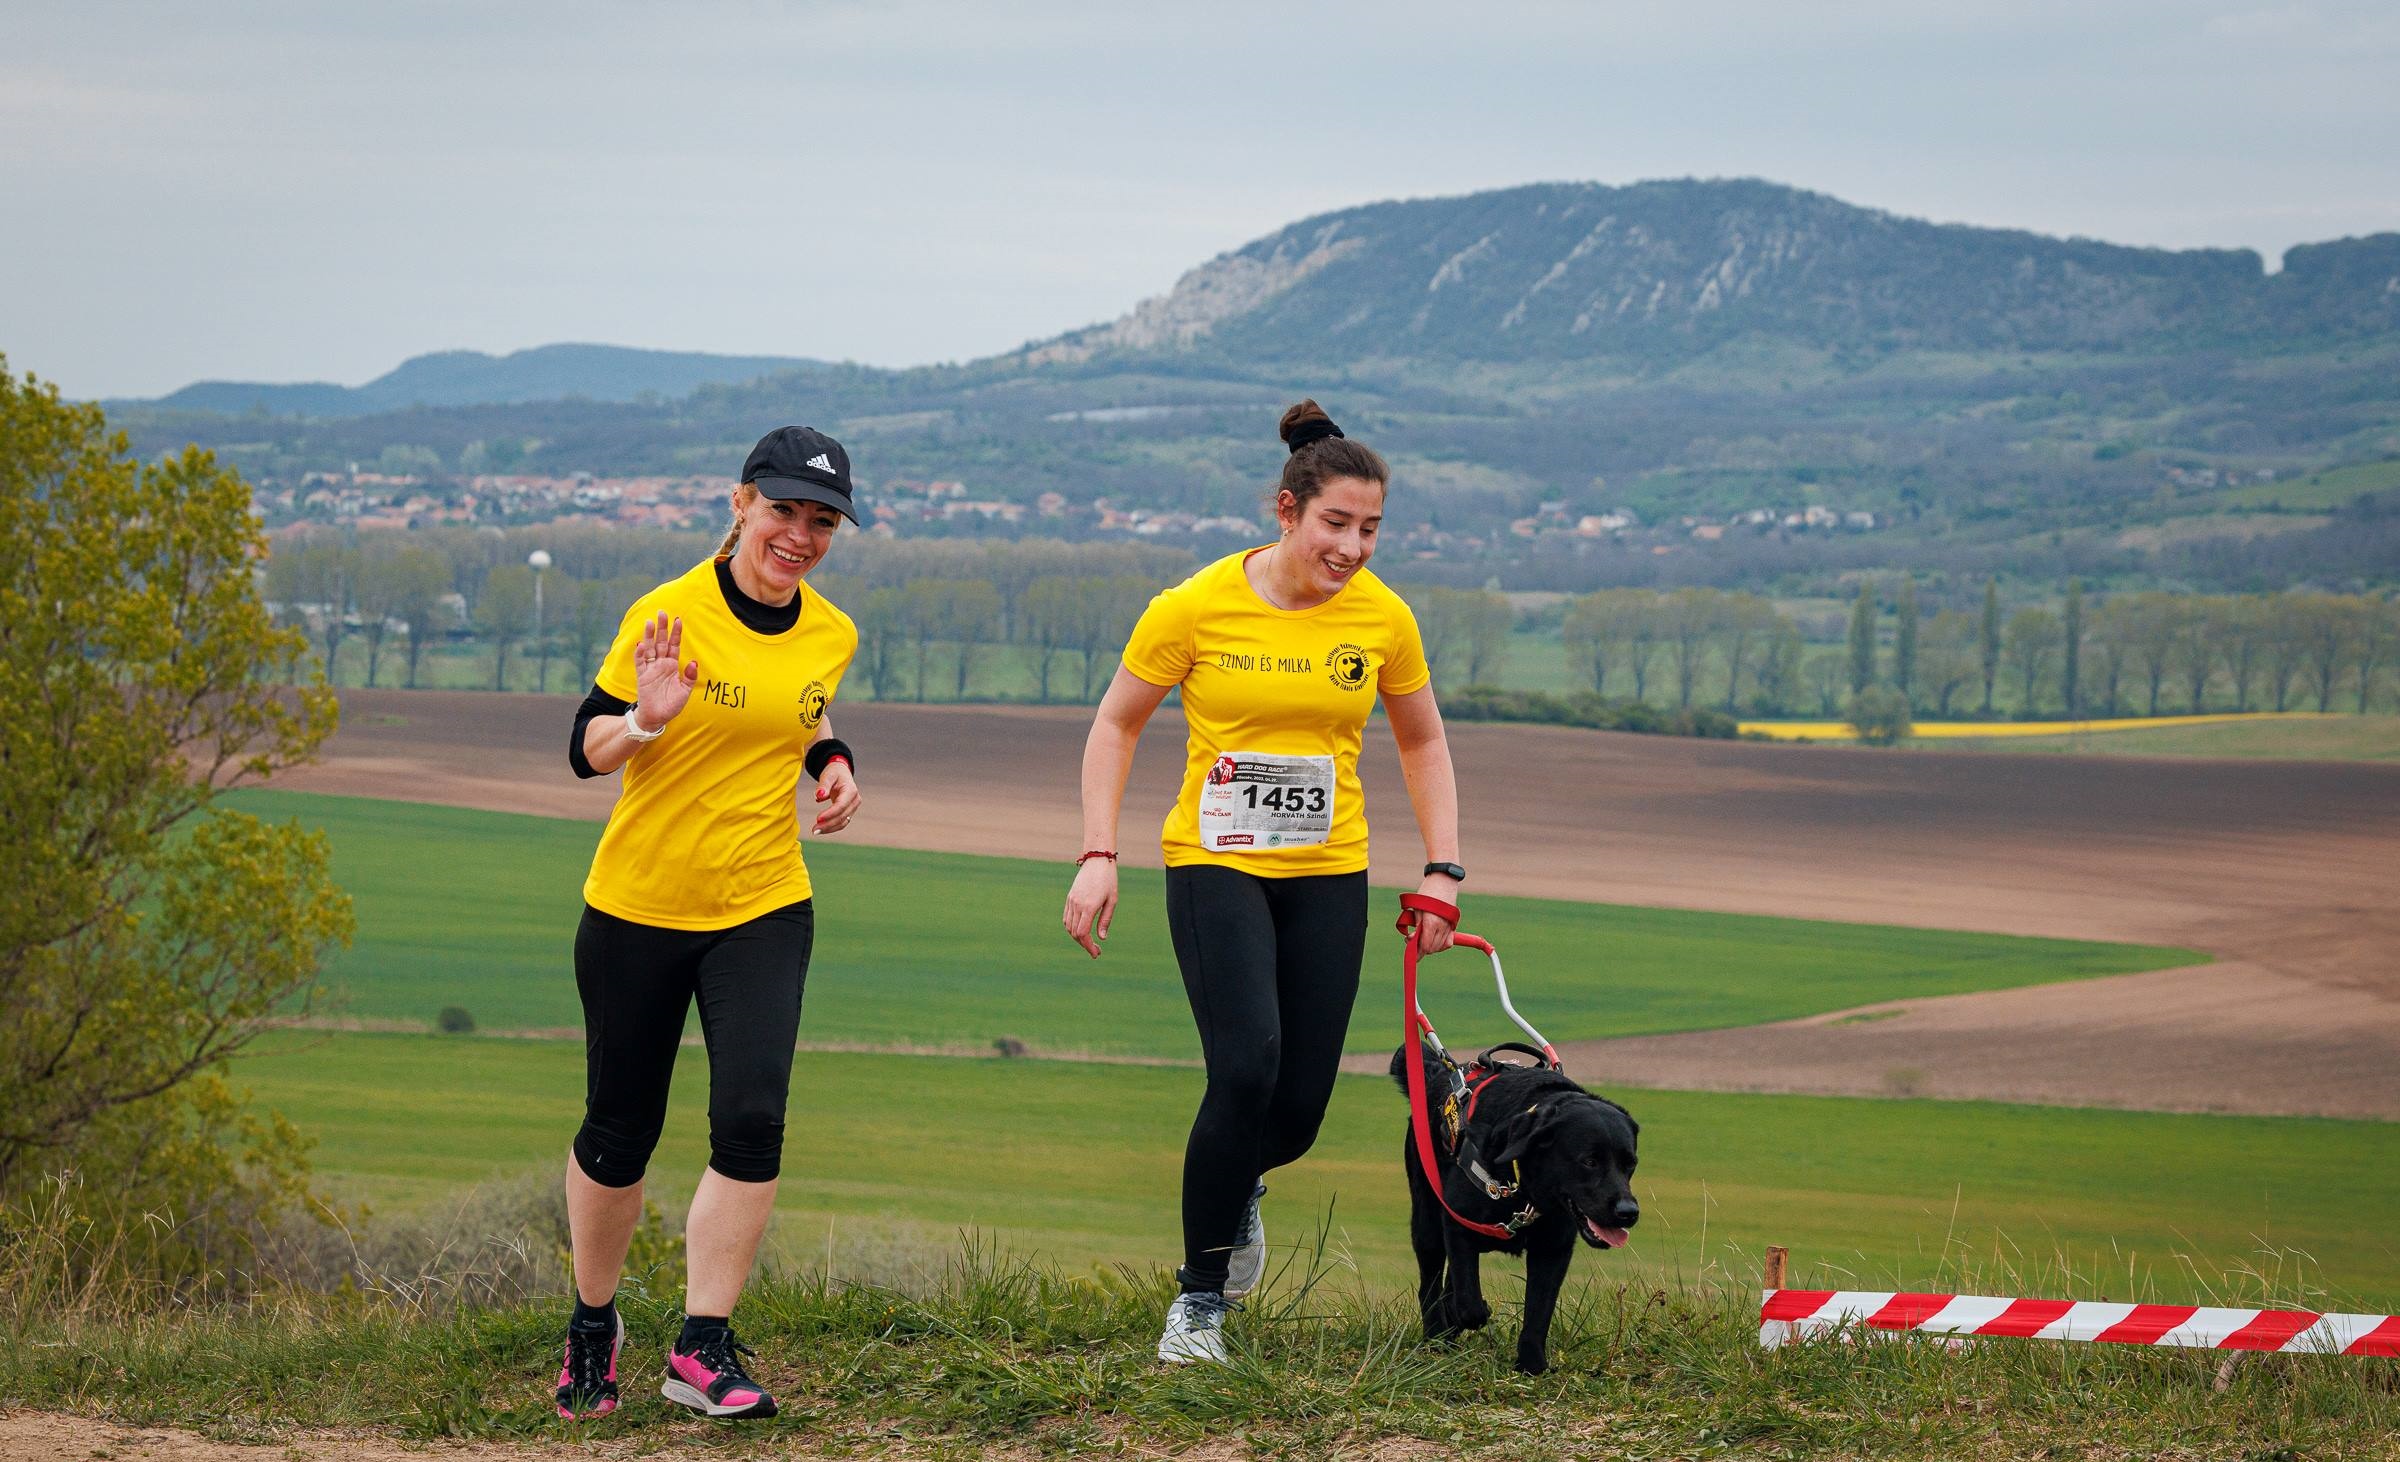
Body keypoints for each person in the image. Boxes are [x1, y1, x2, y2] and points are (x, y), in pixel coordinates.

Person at [1060, 400, 1468, 1365]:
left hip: (1330, 869)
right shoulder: (1194, 605)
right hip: (1215, 861)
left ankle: (1237, 1185)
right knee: (1243, 1066)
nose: (1354, 547)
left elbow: (1424, 740)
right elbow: (1115, 725)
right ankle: (1199, 1303)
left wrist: (1443, 869)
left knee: (1294, 1111)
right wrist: (1097, 850)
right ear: (1286, 512)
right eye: (1336, 524)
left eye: (1371, 529)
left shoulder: (1384, 617)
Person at [551, 426, 863, 1421]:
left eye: (821, 521)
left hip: (763, 902)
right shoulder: (667, 611)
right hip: (638, 907)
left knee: (753, 1119)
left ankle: (702, 1345)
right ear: (740, 503)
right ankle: (593, 1324)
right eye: (783, 511)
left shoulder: (833, 632)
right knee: (620, 1132)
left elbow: (796, 707)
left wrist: (830, 759)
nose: (800, 535)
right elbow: (584, 748)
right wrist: (646, 717)